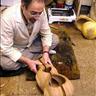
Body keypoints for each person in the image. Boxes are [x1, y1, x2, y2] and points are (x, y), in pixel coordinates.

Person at [0, 0, 59, 75]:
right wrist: (28, 61)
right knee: (6, 64)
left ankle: (35, 57)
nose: (37, 17)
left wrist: (45, 52)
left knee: (54, 39)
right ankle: (34, 58)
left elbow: (46, 33)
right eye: (33, 13)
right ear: (23, 5)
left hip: (32, 42)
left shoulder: (40, 10)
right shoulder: (7, 18)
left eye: (40, 13)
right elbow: (6, 48)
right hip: (16, 47)